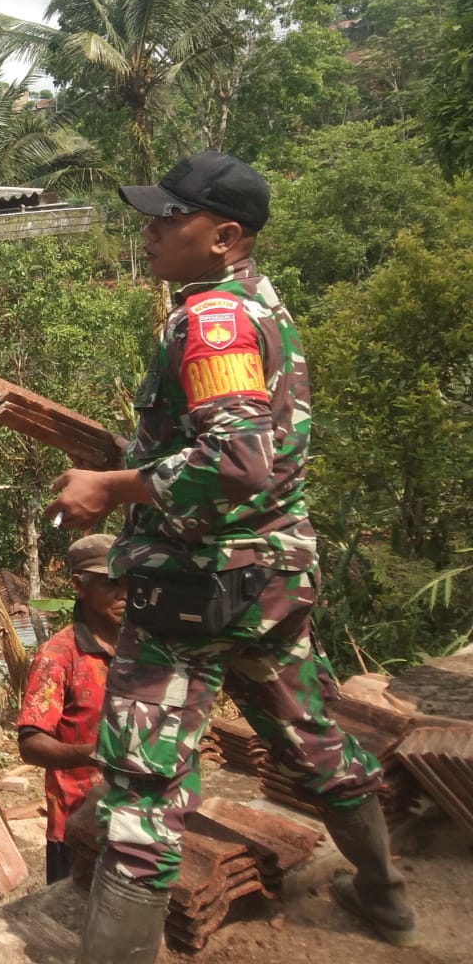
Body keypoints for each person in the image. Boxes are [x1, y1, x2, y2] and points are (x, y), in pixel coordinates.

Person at [45, 151, 416, 962]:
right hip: (271, 583)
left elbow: (238, 460)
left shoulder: (213, 319)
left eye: (168, 218)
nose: (149, 229)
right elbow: (254, 455)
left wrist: (112, 484)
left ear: (226, 235)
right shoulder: (261, 308)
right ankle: (384, 899)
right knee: (313, 739)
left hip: (193, 592)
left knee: (144, 793)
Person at [16, 533, 124, 885]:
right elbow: (31, 744)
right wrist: (95, 755)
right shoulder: (58, 656)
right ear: (79, 585)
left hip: (136, 817)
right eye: (110, 583)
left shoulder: (143, 649)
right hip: (77, 824)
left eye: (130, 580)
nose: (124, 592)